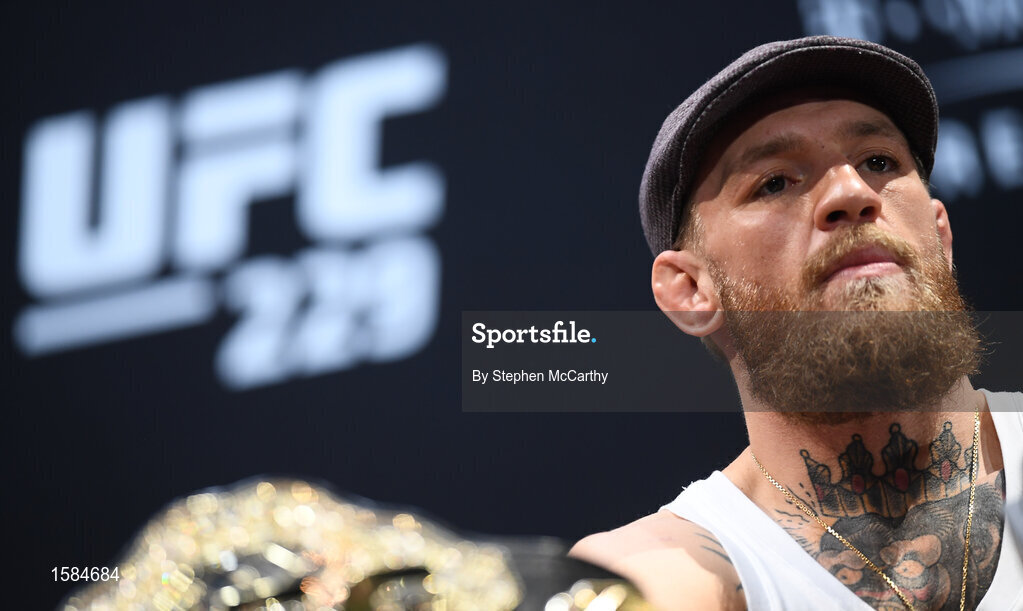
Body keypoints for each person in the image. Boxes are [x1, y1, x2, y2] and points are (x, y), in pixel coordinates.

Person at [569, 36, 1022, 611]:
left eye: (878, 162)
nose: (852, 194)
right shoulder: (664, 570)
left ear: (939, 234)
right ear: (689, 290)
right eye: (775, 181)